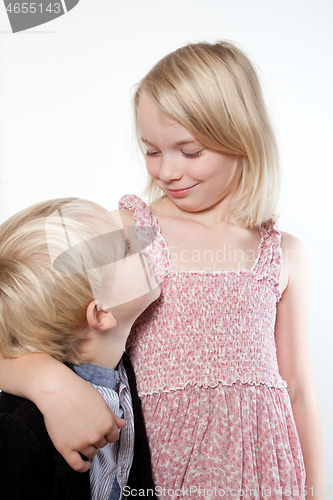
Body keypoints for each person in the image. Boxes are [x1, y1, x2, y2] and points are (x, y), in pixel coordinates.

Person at [0, 41, 323, 498]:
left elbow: (298, 391)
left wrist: (315, 488)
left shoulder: (282, 252)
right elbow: (32, 314)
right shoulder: (132, 234)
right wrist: (47, 383)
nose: (168, 171)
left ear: (243, 137)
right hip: (160, 470)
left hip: (264, 472)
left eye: (190, 152)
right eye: (152, 151)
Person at [0, 197, 158, 499]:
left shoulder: (124, 372)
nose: (142, 246)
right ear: (100, 314)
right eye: (125, 250)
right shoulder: (18, 429)